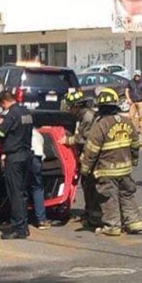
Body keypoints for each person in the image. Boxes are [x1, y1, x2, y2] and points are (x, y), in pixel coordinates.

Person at [78, 88, 142, 236]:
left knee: (109, 197)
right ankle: (134, 223)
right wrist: (134, 160)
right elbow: (135, 144)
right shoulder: (127, 121)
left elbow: (91, 150)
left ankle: (113, 226)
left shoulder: (101, 125)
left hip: (107, 170)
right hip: (125, 169)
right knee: (127, 195)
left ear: (101, 107)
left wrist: (85, 169)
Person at [0, 91, 33, 240]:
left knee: (15, 194)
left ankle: (18, 228)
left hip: (14, 158)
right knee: (22, 193)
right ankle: (24, 226)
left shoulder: (11, 115)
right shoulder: (26, 112)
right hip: (26, 156)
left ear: (3, 102)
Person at [62, 90, 97, 224]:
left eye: (71, 107)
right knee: (87, 184)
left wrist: (68, 140)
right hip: (87, 155)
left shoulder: (87, 117)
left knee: (90, 185)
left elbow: (85, 138)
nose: (69, 110)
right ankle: (89, 213)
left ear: (76, 106)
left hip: (92, 156)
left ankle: (93, 216)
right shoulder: (82, 116)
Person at [29, 128, 51, 229]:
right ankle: (41, 220)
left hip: (22, 157)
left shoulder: (15, 127)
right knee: (37, 188)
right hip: (35, 158)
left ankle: (18, 219)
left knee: (19, 189)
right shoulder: (37, 134)